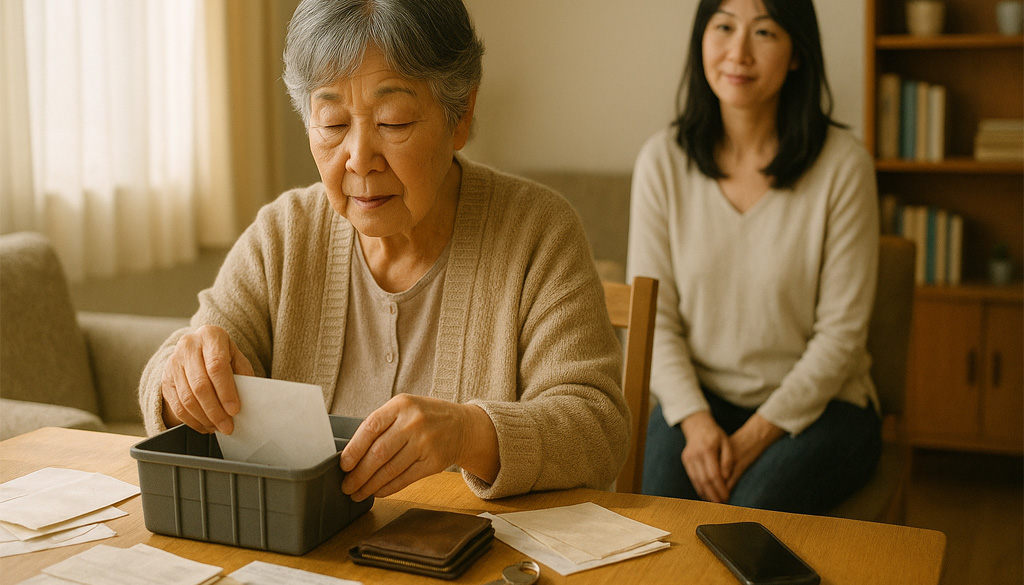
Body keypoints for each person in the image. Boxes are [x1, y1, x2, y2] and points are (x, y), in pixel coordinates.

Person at [138, 0, 629, 502]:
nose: (359, 159)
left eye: (393, 122)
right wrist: (186, 380)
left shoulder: (538, 232)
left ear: (461, 116)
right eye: (331, 123)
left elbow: (597, 427)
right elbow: (175, 364)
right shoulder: (285, 234)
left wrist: (468, 432)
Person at [627, 0, 881, 513]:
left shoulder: (844, 167)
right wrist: (698, 424)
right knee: (652, 518)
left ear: (795, 55)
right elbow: (653, 320)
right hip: (701, 401)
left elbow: (841, 337)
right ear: (702, 40)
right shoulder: (663, 162)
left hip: (823, 408)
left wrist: (752, 439)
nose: (738, 52)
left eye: (764, 32)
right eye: (723, 27)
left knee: (747, 511)